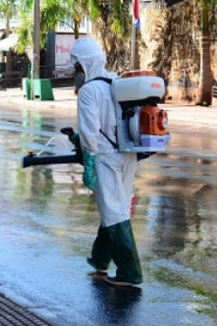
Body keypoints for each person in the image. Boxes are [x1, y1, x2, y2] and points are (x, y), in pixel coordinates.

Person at [70, 37, 143, 287]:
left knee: (113, 212)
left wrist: (85, 154)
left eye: (77, 68)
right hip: (128, 154)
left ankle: (129, 272)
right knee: (114, 207)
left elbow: (91, 136)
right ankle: (100, 260)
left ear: (85, 65)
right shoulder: (116, 82)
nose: (76, 73)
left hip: (106, 158)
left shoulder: (89, 91)